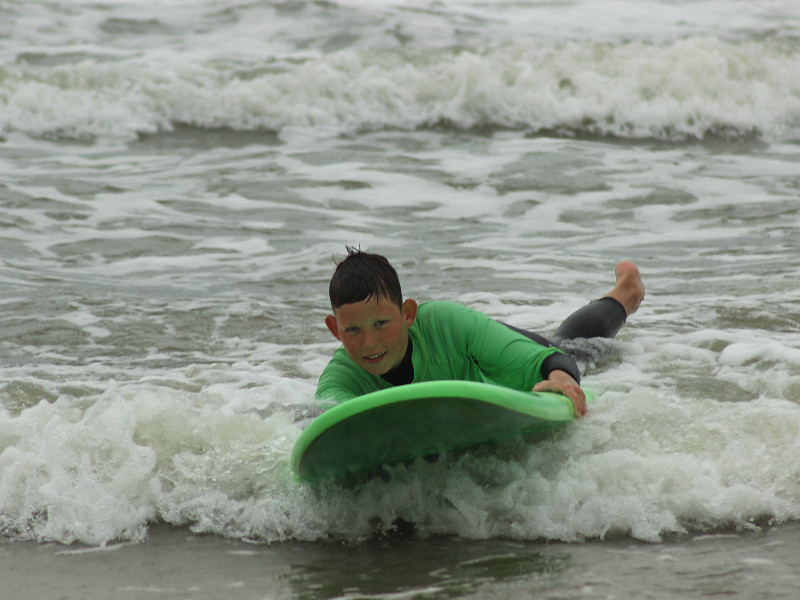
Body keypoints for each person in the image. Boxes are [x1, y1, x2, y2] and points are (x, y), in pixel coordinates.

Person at [317, 247, 645, 417]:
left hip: (491, 361)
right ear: (335, 330)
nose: (369, 342)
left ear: (407, 314)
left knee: (573, 352)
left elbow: (550, 361)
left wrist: (562, 378)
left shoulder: (447, 324)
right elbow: (322, 424)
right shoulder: (341, 377)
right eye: (353, 330)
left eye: (381, 324)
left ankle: (626, 293)